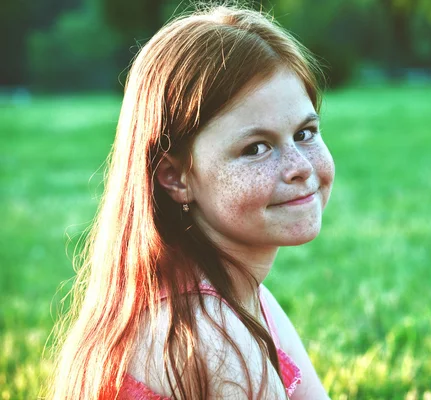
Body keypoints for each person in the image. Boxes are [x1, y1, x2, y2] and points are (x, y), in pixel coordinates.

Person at [46, 4, 334, 399]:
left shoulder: (245, 297)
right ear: (176, 178)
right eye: (257, 147)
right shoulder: (209, 335)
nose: (300, 167)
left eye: (305, 133)